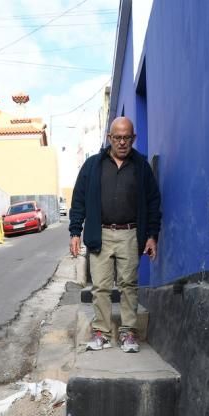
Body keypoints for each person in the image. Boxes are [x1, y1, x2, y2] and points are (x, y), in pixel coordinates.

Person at [69, 117, 161, 352]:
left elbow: (153, 202)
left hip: (130, 234)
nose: (122, 142)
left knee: (129, 284)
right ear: (109, 138)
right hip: (100, 233)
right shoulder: (92, 166)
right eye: (117, 137)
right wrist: (75, 232)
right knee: (100, 286)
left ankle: (128, 333)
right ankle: (101, 332)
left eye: (126, 138)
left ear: (133, 139)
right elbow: (78, 200)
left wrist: (152, 235)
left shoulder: (141, 167)